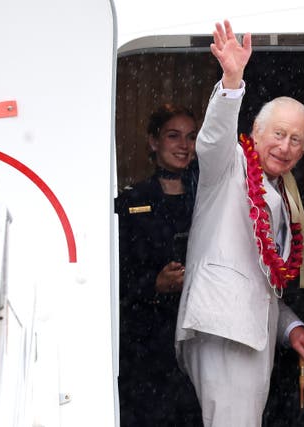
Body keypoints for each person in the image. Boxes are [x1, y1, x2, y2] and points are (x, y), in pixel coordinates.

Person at [175, 20, 304, 427]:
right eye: (278, 133)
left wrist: (290, 327)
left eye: (296, 140)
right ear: (254, 131)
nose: (285, 146)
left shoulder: (283, 193)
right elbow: (212, 139)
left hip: (253, 333)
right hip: (224, 327)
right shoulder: (229, 164)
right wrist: (232, 81)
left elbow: (265, 281)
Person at [115, 104, 203, 426]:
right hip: (146, 342)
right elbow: (115, 279)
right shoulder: (129, 201)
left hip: (198, 335)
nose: (184, 145)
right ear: (153, 142)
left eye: (191, 137)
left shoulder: (207, 199)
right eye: (173, 136)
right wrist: (154, 284)